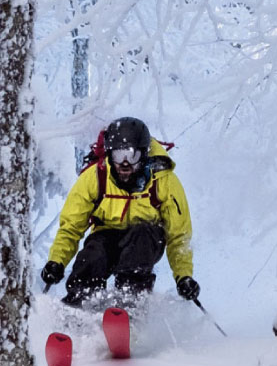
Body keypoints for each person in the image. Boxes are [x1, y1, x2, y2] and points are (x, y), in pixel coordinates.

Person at [41, 116, 200, 307]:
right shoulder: (96, 176)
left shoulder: (163, 181)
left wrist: (184, 276)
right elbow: (71, 227)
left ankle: (130, 303)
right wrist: (57, 262)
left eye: (132, 156)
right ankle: (80, 305)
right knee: (94, 255)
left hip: (145, 239)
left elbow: (179, 236)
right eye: (118, 156)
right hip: (106, 236)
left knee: (140, 237)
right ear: (109, 155)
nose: (125, 164)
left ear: (144, 155)